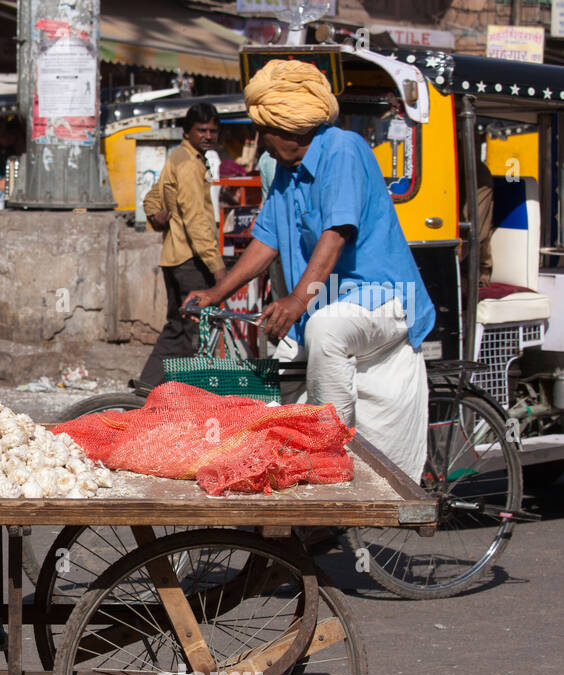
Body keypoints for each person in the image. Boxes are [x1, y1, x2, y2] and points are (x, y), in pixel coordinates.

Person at [185, 59, 433, 480]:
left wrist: (299, 299)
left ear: (290, 128)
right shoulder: (286, 172)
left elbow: (336, 233)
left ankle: (328, 455)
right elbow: (265, 241)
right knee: (274, 375)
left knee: (326, 330)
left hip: (383, 297)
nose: (260, 141)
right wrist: (216, 293)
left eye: (263, 130)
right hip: (330, 300)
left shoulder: (343, 149)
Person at [138, 103, 227, 388]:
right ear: (188, 132)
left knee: (177, 327)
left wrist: (157, 215)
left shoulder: (179, 158)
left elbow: (151, 198)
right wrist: (218, 268)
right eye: (202, 130)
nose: (208, 136)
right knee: (194, 332)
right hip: (190, 260)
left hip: (174, 258)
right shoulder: (188, 163)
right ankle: (180, 395)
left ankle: (148, 388)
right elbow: (197, 221)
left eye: (213, 131)